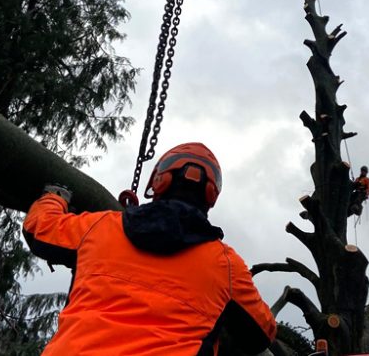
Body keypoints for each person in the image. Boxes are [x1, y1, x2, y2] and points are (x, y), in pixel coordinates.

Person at [23, 142, 277, 356]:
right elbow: (262, 332)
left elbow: (40, 228)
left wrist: (55, 196)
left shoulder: (101, 227)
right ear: (211, 195)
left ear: (159, 180)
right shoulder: (227, 265)